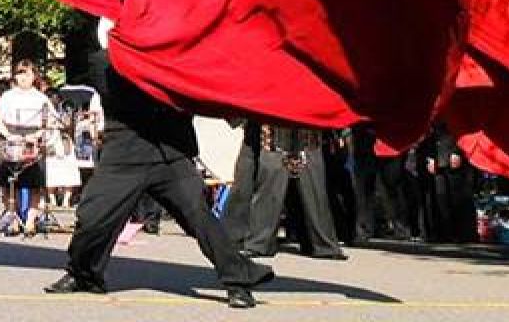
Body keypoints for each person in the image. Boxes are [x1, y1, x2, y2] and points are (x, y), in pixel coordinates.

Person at [49, 18, 272, 309]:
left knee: (200, 218)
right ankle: (83, 274)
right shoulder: (102, 62)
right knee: (93, 218)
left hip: (170, 153)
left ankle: (237, 281)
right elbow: (137, 94)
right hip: (125, 155)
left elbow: (194, 90)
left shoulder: (171, 60)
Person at [238, 120, 347, 261]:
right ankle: (259, 243)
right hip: (274, 121)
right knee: (270, 183)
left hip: (308, 120)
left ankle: (323, 244)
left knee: (313, 186)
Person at [0, 60, 57, 236]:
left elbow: (51, 121)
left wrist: (37, 137)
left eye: (27, 74)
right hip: (11, 140)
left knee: (34, 183)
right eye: (20, 73)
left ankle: (30, 221)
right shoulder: (8, 96)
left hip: (33, 142)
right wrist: (7, 134)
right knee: (7, 183)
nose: (23, 78)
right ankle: (13, 217)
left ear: (34, 76)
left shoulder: (41, 98)